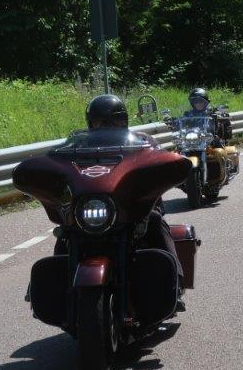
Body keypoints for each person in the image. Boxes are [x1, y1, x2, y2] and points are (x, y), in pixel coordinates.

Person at [76, 95, 186, 299]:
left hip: (135, 207)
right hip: (97, 208)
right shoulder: (80, 145)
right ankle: (50, 289)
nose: (107, 127)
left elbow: (160, 160)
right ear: (91, 123)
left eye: (114, 121)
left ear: (124, 121)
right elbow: (64, 165)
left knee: (155, 221)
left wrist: (166, 169)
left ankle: (177, 281)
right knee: (66, 232)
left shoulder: (143, 142)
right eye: (100, 122)